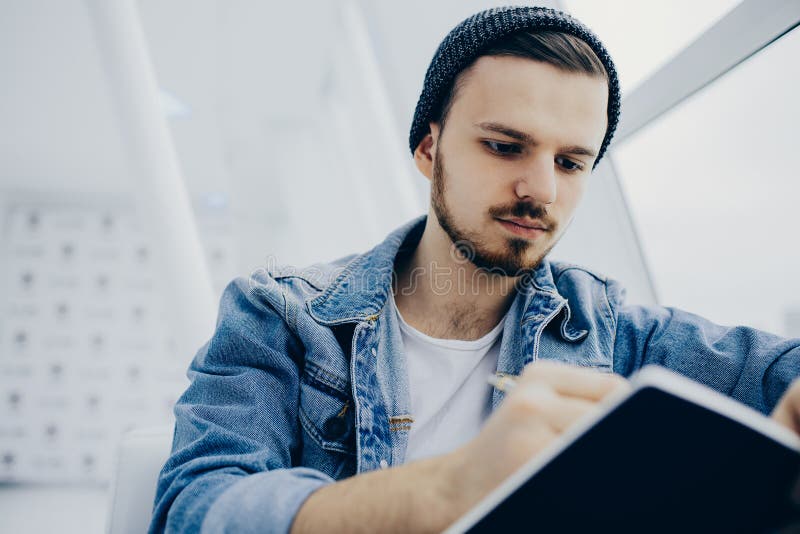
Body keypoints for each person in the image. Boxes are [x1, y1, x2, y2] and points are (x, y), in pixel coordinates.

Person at [149, 6, 800, 533]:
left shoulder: (620, 336)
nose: (541, 189)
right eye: (505, 146)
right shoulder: (280, 318)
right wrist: (453, 487)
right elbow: (192, 512)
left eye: (571, 162)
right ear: (429, 149)